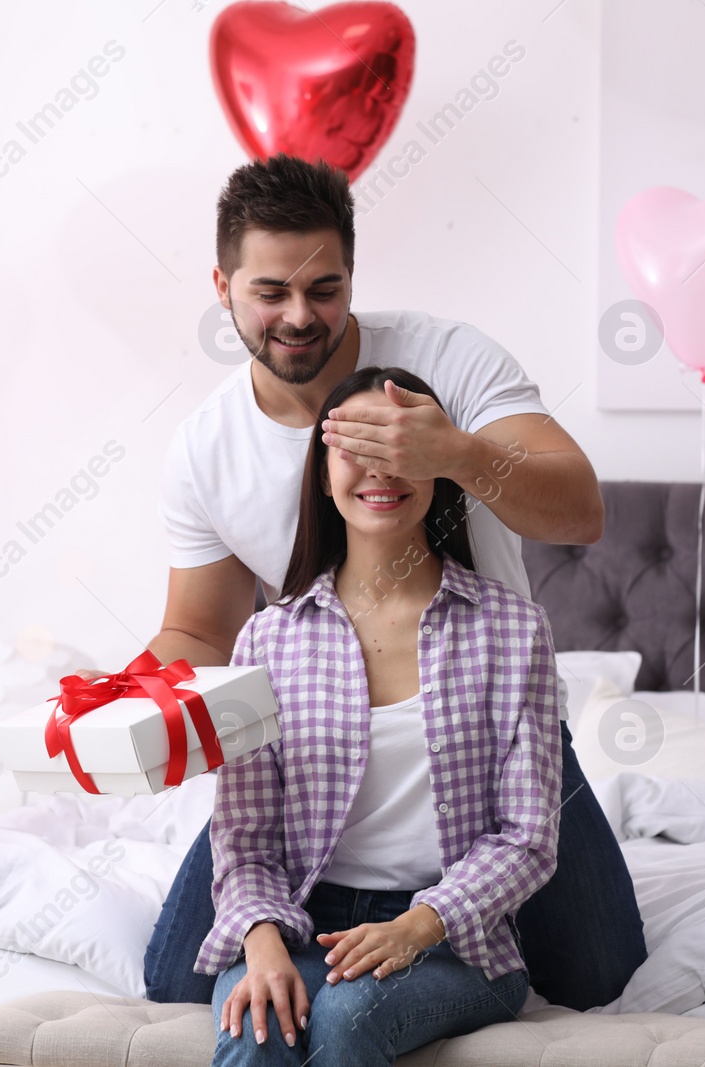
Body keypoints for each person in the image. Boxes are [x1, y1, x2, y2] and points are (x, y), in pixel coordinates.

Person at [132, 152, 647, 1011]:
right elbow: (200, 630)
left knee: (593, 972)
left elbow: (580, 509)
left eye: (325, 289)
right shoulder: (204, 448)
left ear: (351, 275)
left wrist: (452, 449)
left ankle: (460, 921)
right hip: (318, 740)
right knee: (173, 974)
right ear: (222, 286)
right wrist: (120, 707)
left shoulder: (450, 357)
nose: (300, 316)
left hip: (489, 726)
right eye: (270, 293)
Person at [202, 366, 561, 1066]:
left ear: (438, 466)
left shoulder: (514, 629)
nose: (380, 470)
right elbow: (243, 837)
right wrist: (262, 939)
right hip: (301, 923)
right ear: (321, 471)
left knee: (348, 1016)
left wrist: (420, 924)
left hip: (454, 939)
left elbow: (529, 838)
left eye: (402, 448)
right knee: (256, 1034)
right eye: (357, 447)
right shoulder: (265, 640)